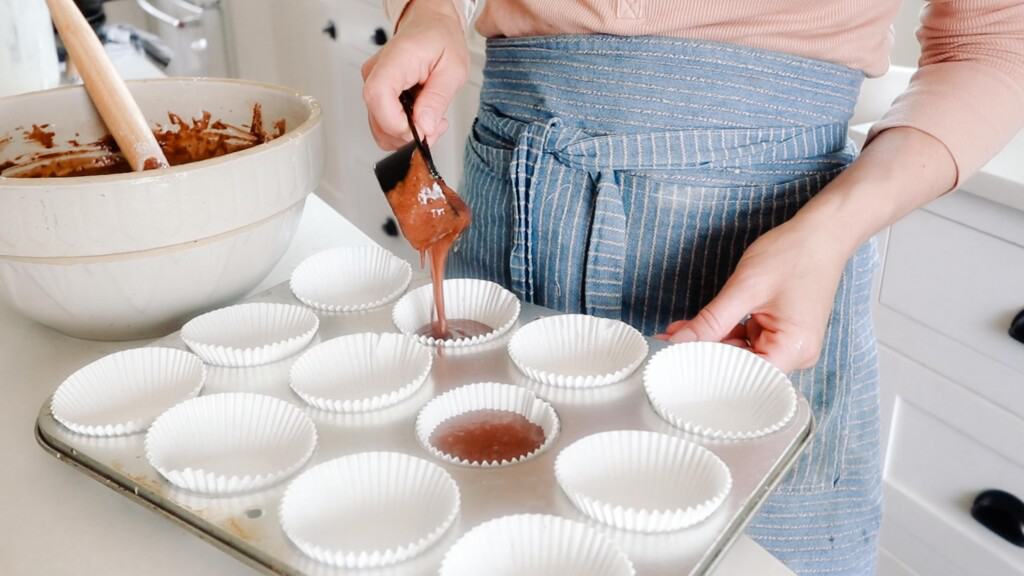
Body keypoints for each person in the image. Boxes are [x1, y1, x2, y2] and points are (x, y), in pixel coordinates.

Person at [362, 1, 1024, 573]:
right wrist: (433, 13)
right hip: (511, 212)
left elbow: (992, 42)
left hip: (759, 273)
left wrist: (833, 230)